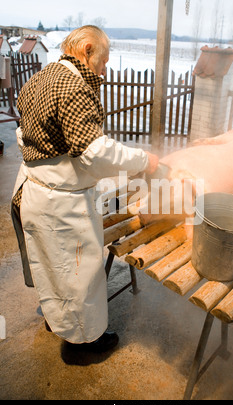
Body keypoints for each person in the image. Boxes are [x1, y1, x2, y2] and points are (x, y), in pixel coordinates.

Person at [11, 25, 159, 353]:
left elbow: (29, 129)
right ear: (87, 50)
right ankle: (83, 345)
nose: (104, 71)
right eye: (103, 62)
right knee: (80, 276)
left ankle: (57, 320)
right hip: (62, 203)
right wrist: (142, 159)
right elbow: (94, 153)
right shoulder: (73, 86)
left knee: (53, 269)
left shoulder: (43, 74)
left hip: (35, 190)